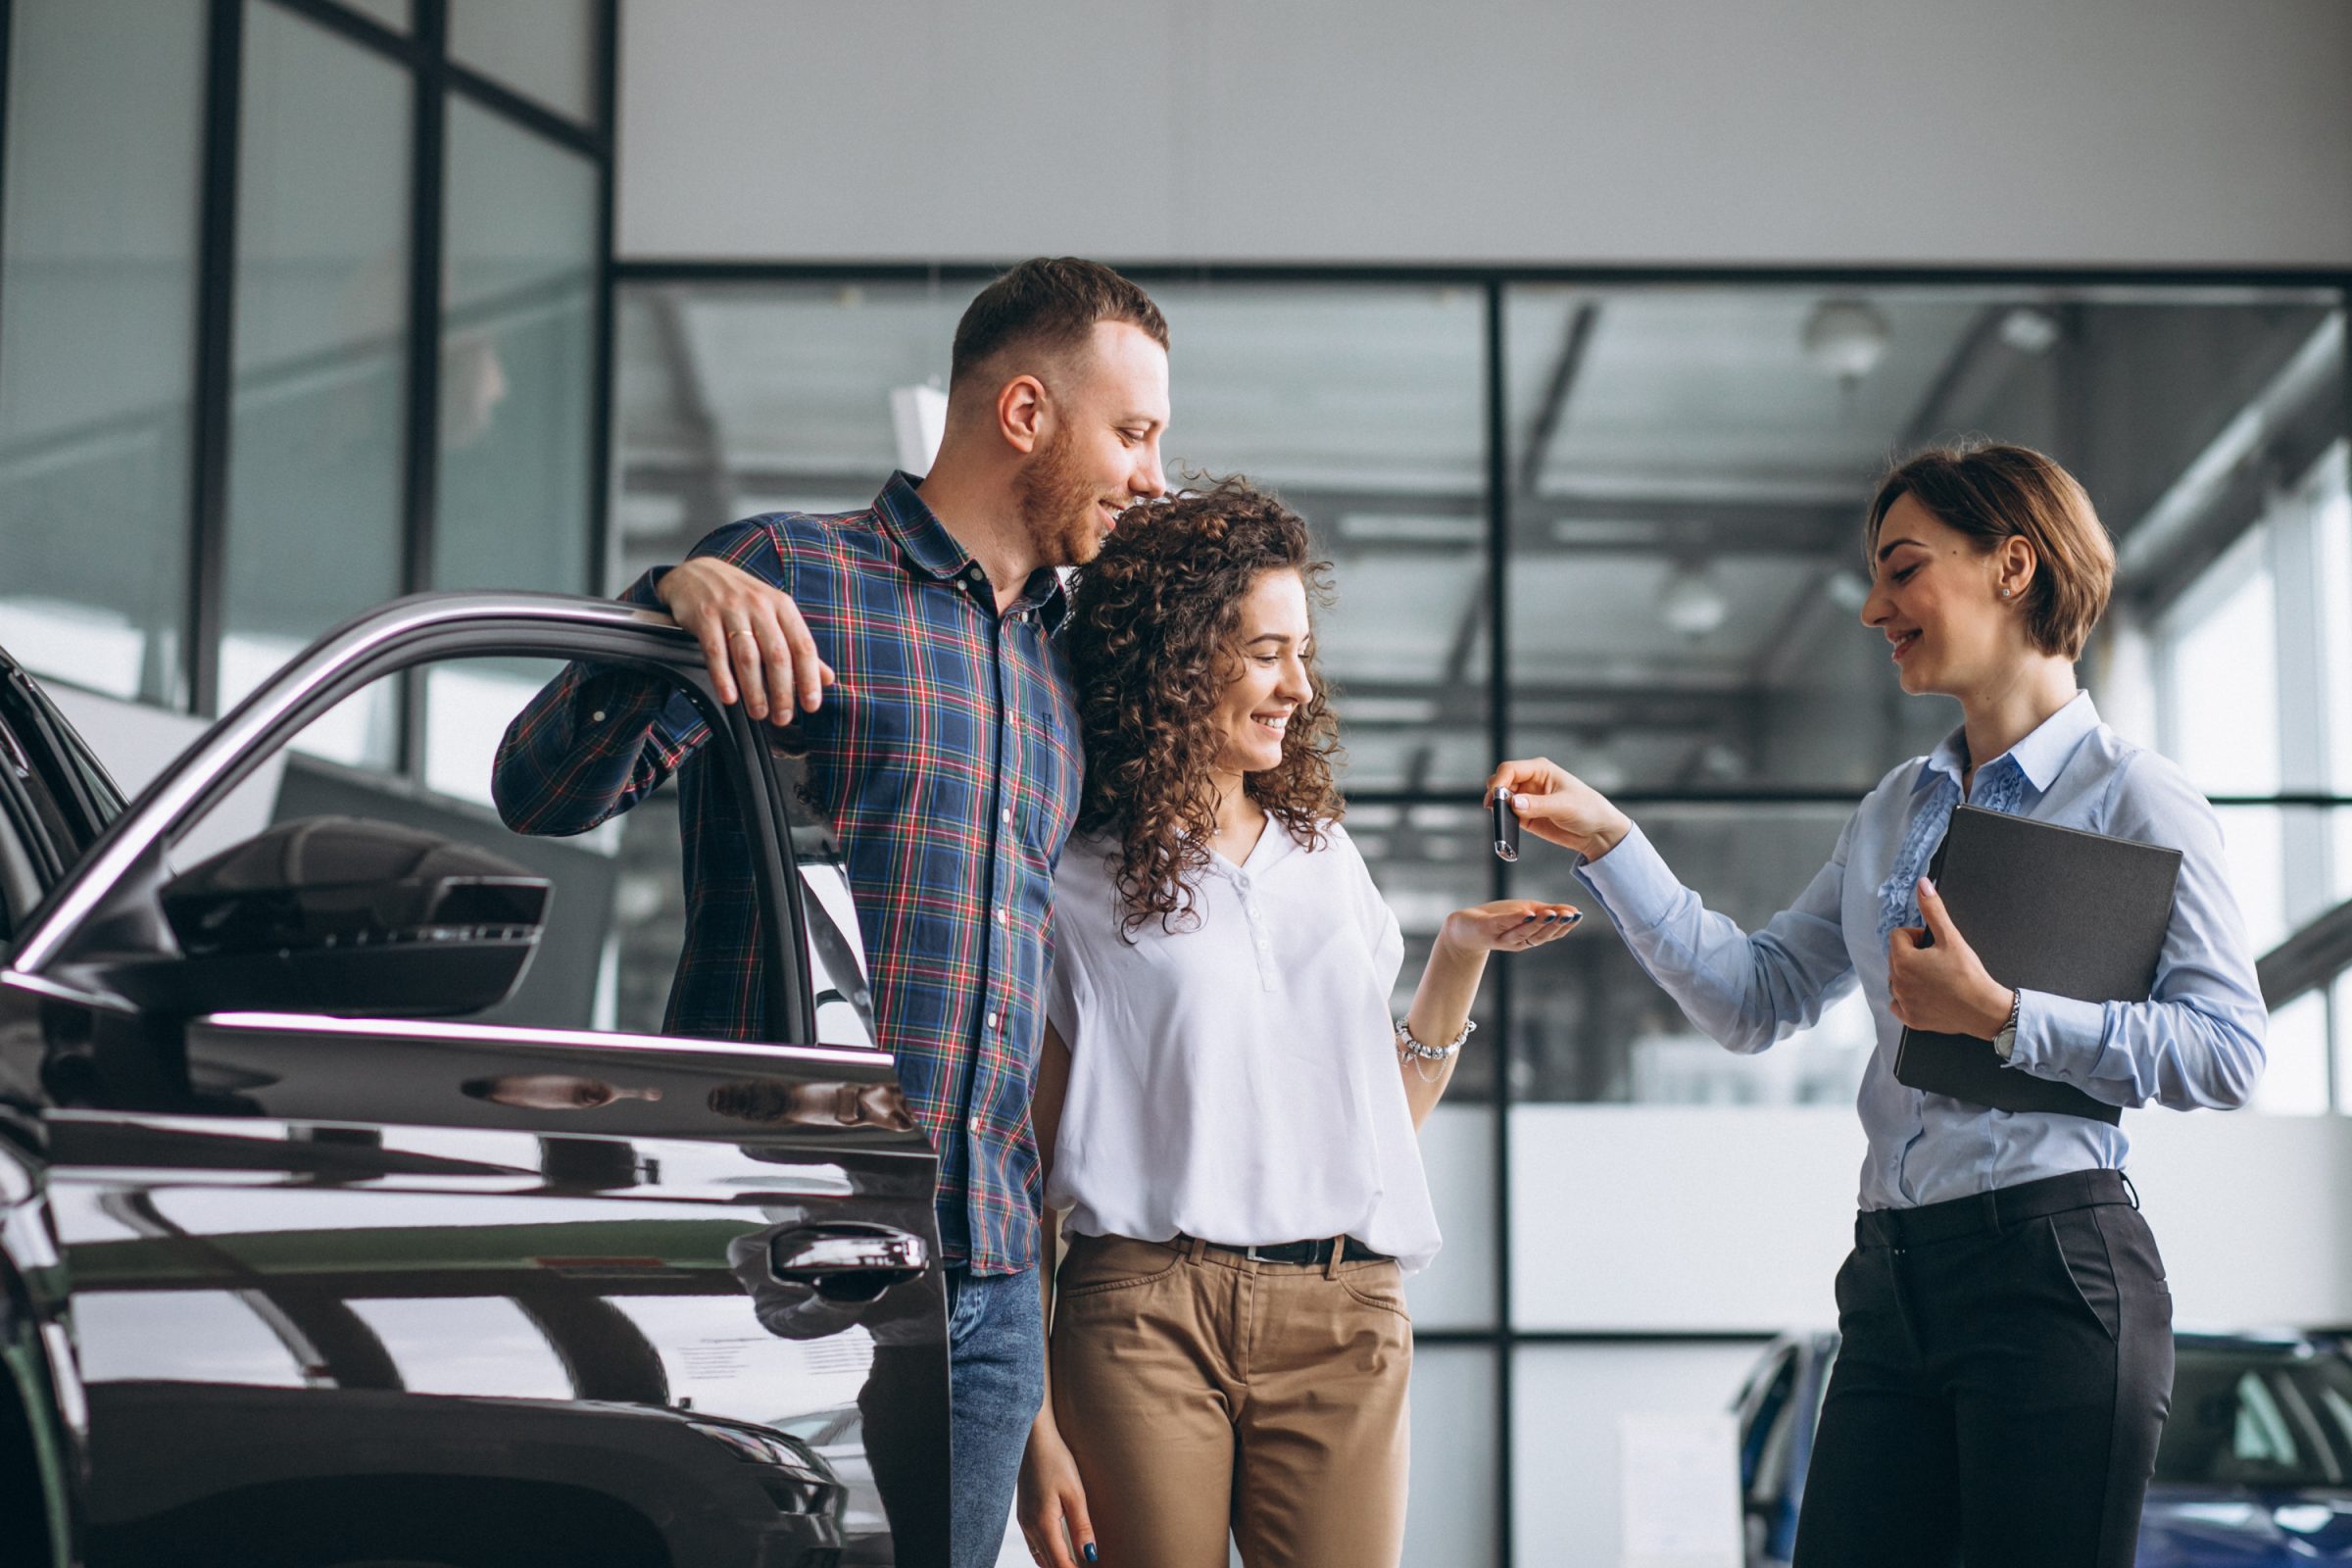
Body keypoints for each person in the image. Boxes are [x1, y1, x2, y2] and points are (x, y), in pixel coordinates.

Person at [491, 257, 1172, 1568]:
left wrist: (1032, 1366)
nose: (1150, 473)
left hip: (983, 1288)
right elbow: (542, 791)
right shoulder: (789, 572)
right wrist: (665, 604)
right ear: (1026, 413)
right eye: (1132, 432)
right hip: (787, 1258)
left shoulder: (1060, 670)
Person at [1490, 442, 2267, 1568]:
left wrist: (2004, 1013)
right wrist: (1614, 840)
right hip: (1892, 1280)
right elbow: (1755, 997)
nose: (1873, 606)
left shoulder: (2135, 796)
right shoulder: (1898, 808)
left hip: (2053, 1272)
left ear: (2013, 564)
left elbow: (2231, 1050)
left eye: (1903, 570)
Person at [1015, 479, 1580, 1568]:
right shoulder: (1074, 881)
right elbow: (1027, 1173)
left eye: (1302, 653)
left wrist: (1455, 957)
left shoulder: (1327, 864)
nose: (1298, 686)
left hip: (1343, 1309)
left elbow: (1378, 1122)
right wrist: (1034, 1425)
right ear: (1178, 660)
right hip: (1143, 1313)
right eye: (1268, 652)